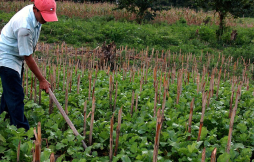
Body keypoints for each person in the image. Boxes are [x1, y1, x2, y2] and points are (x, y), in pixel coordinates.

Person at [0, 0, 58, 131]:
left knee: (11, 91)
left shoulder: (35, 14)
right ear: (35, 10)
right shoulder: (24, 27)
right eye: (44, 16)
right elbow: (28, 56)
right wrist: (42, 80)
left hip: (16, 54)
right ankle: (22, 132)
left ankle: (2, 119)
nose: (46, 20)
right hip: (7, 56)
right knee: (16, 94)